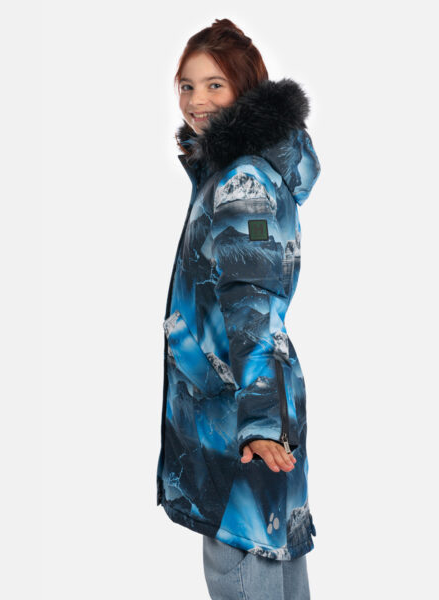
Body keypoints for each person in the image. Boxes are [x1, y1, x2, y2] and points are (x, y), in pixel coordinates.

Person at [156, 18, 321, 600]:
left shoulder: (241, 182)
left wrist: (260, 424)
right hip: (246, 406)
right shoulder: (234, 171)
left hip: (239, 421)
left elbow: (253, 300)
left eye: (214, 85)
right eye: (186, 85)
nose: (195, 101)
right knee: (275, 566)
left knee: (243, 570)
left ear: (244, 89)